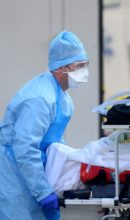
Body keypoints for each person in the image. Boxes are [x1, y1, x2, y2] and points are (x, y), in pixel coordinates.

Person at [0, 31, 89, 220]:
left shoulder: (62, 97)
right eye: (79, 66)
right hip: (15, 179)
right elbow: (25, 148)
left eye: (85, 65)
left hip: (35, 176)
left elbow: (55, 142)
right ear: (61, 67)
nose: (84, 71)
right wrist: (42, 191)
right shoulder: (40, 98)